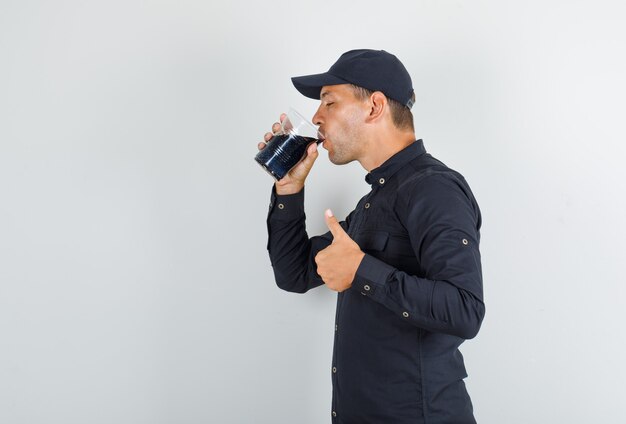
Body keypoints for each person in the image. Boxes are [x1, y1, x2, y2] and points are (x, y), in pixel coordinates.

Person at [259, 49, 485, 424]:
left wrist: (362, 272)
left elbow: (465, 309)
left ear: (375, 106)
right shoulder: (373, 202)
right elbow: (294, 273)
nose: (316, 117)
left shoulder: (434, 189)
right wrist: (289, 188)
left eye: (329, 102)